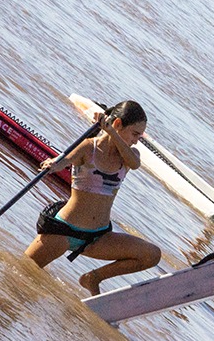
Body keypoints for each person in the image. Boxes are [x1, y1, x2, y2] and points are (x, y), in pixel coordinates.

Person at [26, 102, 162, 296]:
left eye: (140, 136)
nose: (136, 141)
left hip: (98, 237)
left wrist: (112, 133)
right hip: (63, 232)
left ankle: (93, 278)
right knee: (20, 272)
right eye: (134, 134)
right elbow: (64, 161)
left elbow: (135, 164)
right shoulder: (89, 147)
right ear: (117, 123)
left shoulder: (130, 155)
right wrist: (53, 164)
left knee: (151, 255)